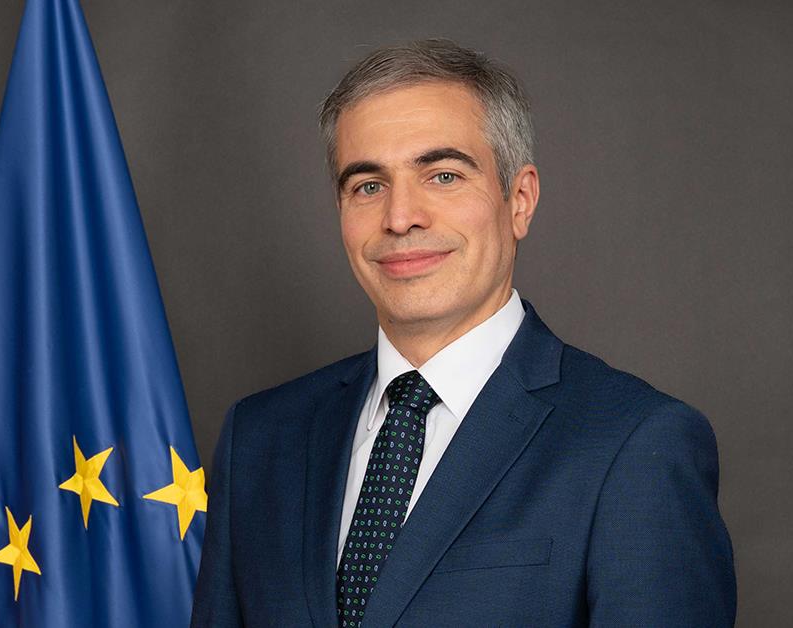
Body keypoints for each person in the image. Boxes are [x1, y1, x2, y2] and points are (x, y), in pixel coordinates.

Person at [191, 39, 735, 627]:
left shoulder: (636, 444)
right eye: (368, 186)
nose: (400, 217)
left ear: (519, 200)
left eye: (443, 176)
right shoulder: (260, 438)